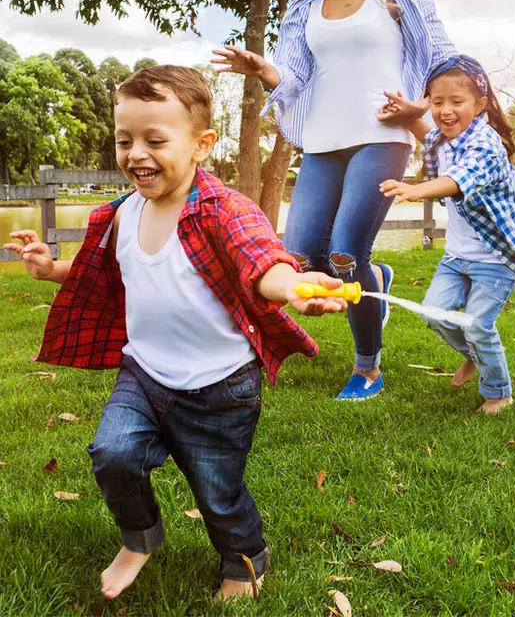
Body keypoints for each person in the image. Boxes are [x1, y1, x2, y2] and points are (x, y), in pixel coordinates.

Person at [4, 66, 346, 601]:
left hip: (221, 387)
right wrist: (51, 270)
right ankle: (139, 537)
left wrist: (292, 285)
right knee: (113, 454)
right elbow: (105, 272)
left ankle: (244, 560)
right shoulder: (120, 215)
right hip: (144, 373)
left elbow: (261, 259)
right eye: (125, 140)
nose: (136, 153)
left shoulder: (223, 209)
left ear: (202, 145)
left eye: (155, 140)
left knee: (218, 492)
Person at [212, 0, 456, 401]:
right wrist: (262, 70)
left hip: (381, 134)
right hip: (323, 137)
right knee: (300, 256)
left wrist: (419, 109)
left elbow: (442, 57)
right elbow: (296, 76)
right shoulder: (304, 5)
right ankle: (376, 281)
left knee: (345, 255)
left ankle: (368, 368)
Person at [378, 55, 515, 414]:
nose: (446, 111)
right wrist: (409, 114)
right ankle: (478, 354)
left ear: (480, 105)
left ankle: (499, 392)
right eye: (437, 102)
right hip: (458, 256)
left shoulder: (485, 143)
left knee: (479, 324)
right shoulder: (446, 137)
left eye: (456, 102)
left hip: (498, 256)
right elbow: (427, 133)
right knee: (434, 313)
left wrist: (416, 189)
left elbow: (458, 180)